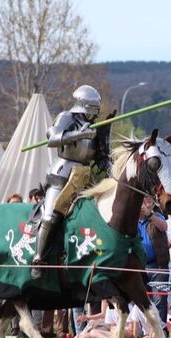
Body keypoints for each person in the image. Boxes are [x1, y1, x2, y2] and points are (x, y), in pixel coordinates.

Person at [31, 85, 115, 279]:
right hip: (63, 173)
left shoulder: (96, 126)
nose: (94, 112)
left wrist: (112, 169)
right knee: (50, 216)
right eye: (92, 106)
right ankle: (38, 257)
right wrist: (82, 134)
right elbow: (52, 138)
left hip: (85, 177)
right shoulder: (67, 117)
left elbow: (101, 157)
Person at [138, 195, 169, 325]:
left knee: (159, 300)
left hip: (158, 266)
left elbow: (163, 227)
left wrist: (149, 214)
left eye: (149, 200)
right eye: (143, 199)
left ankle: (161, 330)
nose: (146, 203)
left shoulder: (157, 216)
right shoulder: (132, 219)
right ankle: (147, 331)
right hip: (139, 267)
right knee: (142, 301)